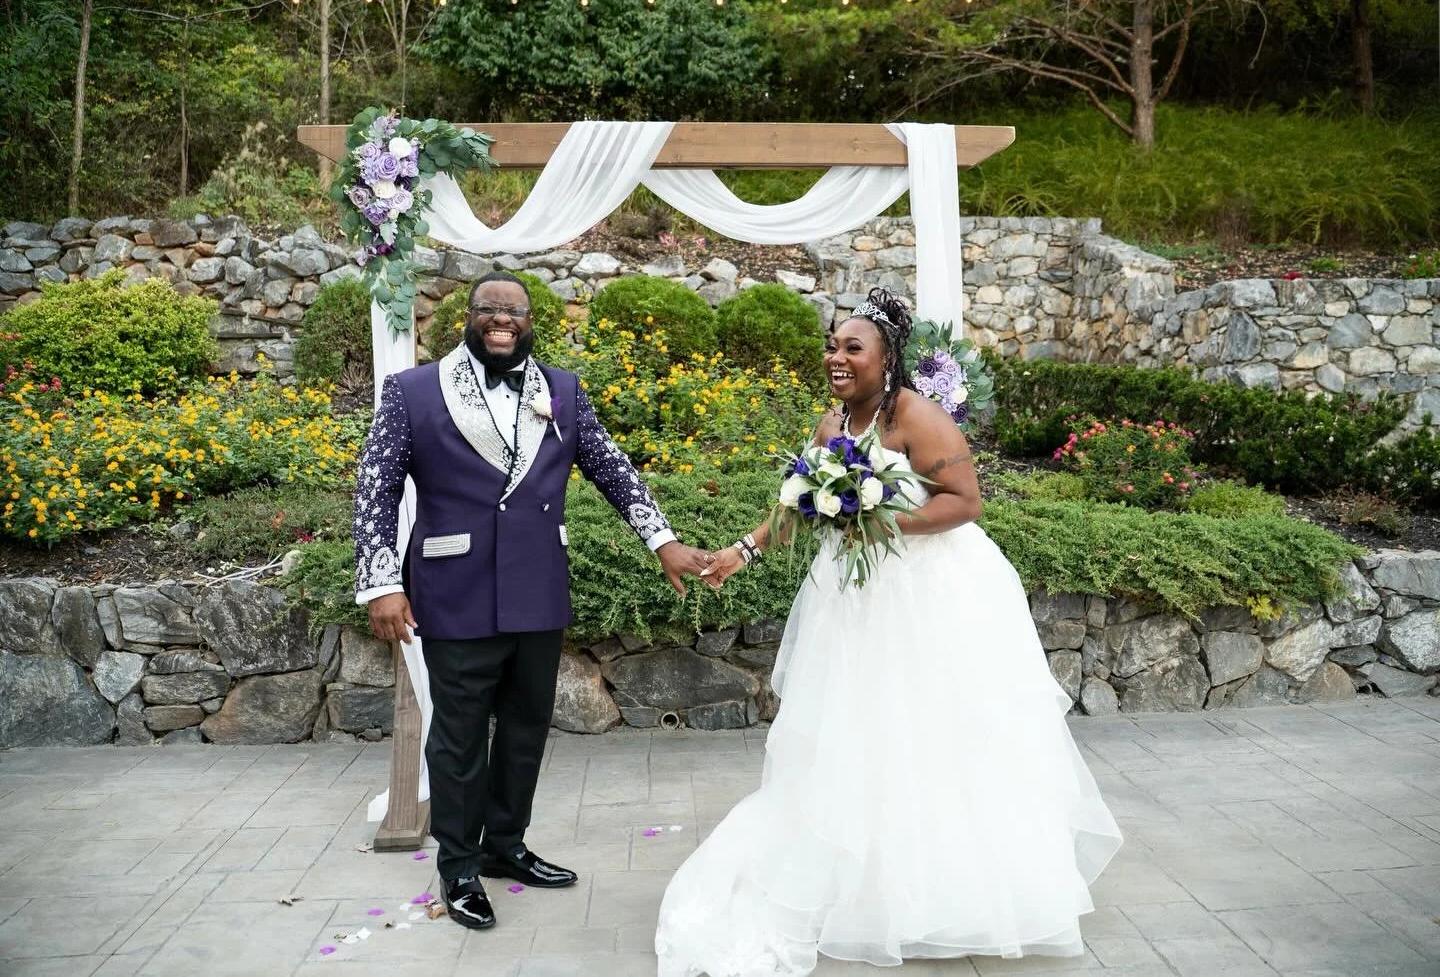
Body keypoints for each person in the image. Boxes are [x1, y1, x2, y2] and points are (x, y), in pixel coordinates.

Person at [654, 289, 1123, 976]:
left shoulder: (918, 418)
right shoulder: (829, 424)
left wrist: (879, 523)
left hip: (934, 593)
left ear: (887, 359)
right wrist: (739, 553)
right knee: (858, 734)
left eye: (852, 348)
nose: (836, 358)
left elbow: (965, 503)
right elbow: (798, 507)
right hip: (855, 599)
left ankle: (953, 887)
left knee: (936, 732)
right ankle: (864, 881)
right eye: (832, 347)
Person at [353, 271, 713, 931]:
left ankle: (504, 846)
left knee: (524, 729)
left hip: (537, 587)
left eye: (513, 311)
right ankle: (458, 866)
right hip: (453, 591)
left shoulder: (564, 390)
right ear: (466, 316)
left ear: (530, 321)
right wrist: (381, 581)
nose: (501, 320)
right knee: (459, 738)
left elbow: (609, 466)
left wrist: (662, 541)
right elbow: (376, 488)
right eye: (489, 309)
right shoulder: (412, 391)